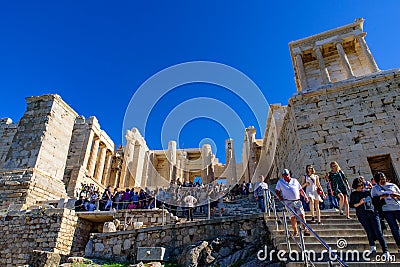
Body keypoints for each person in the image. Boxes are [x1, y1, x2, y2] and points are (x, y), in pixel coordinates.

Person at [350, 177, 389, 257]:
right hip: (362, 214)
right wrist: (360, 203)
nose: (361, 186)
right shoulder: (353, 194)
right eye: (360, 185)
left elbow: (376, 200)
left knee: (378, 231)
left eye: (362, 185)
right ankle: (372, 247)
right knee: (368, 230)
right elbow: (352, 205)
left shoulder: (368, 192)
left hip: (373, 213)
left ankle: (385, 250)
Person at [275, 169, 310, 237]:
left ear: (289, 174)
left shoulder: (295, 180)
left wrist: (305, 196)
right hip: (288, 201)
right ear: (282, 176)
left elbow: (300, 189)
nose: (286, 176)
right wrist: (279, 197)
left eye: (287, 175)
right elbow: (277, 190)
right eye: (285, 175)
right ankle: (295, 231)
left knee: (301, 214)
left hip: (297, 200)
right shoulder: (280, 182)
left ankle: (305, 229)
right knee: (292, 216)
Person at [371, 172, 400, 252]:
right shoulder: (375, 188)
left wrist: (396, 195)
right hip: (386, 210)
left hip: (398, 207)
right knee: (394, 228)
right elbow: (373, 200)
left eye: (383, 178)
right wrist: (381, 197)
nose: (383, 180)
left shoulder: (392, 185)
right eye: (380, 179)